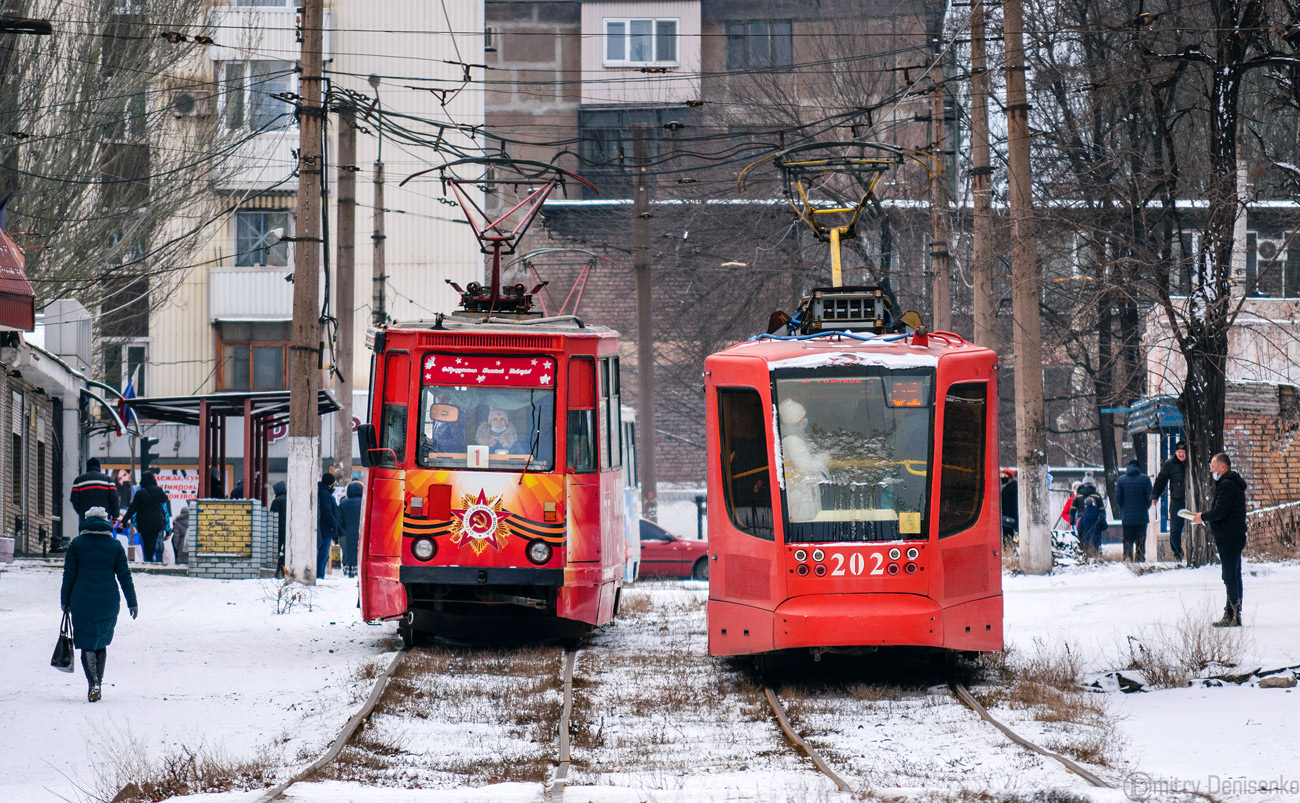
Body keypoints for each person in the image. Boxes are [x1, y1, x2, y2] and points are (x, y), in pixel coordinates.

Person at [60, 506, 137, 702]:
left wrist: (65, 601)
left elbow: (69, 575)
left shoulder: (77, 544)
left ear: (85, 521)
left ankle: (93, 683)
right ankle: (98, 684)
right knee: (101, 642)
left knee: (86, 642)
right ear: (105, 522)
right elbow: (125, 576)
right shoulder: (114, 545)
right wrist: (132, 602)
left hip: (82, 600)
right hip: (108, 600)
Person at [1194, 453, 1248, 627]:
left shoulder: (1227, 485)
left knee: (1230, 576)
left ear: (1222, 467)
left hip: (1229, 536)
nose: (1211, 470)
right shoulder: (1232, 483)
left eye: (1213, 466)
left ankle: (1231, 615)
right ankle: (1234, 614)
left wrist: (1202, 516)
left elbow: (1220, 511)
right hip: (1234, 535)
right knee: (1234, 575)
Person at [778, 399, 830, 521]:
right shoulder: (793, 440)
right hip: (801, 497)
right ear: (795, 419)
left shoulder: (793, 437)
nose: (805, 420)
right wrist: (824, 458)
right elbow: (806, 467)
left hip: (801, 492)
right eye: (802, 417)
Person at [1151, 440, 1189, 562]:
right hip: (1177, 501)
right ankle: (1178, 553)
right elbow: (1160, 481)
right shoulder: (1170, 464)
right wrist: (1154, 496)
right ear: (1175, 452)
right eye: (1179, 452)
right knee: (1175, 530)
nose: (1181, 454)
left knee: (1194, 527)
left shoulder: (1191, 462)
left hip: (1191, 501)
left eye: (1183, 452)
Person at [124, 471, 171, 563]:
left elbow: (133, 513)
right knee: (158, 550)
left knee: (147, 550)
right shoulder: (158, 492)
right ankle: (159, 567)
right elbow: (165, 513)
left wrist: (136, 525)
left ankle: (148, 567)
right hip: (158, 525)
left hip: (144, 527)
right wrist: (168, 531)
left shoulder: (140, 493)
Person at [1114, 459, 1153, 561]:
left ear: (1128, 467)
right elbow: (1149, 497)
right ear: (1138, 467)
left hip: (1127, 518)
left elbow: (1118, 497)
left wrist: (1124, 508)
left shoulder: (1121, 480)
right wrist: (1144, 507)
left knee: (1127, 540)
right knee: (1140, 541)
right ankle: (1140, 559)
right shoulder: (1146, 479)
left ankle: (1128, 559)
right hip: (1142, 517)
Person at [71, 458, 120, 527]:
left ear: (87, 467)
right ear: (99, 467)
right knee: (103, 533)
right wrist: (115, 517)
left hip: (86, 518)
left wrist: (81, 512)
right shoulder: (108, 480)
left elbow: (74, 499)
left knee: (87, 533)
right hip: (104, 518)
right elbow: (114, 499)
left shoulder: (78, 480)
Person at [317, 473, 342, 579]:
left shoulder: (322, 492)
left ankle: (319, 575)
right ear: (330, 484)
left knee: (323, 554)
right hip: (326, 529)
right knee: (323, 555)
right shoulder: (325, 494)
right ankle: (319, 576)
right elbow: (327, 513)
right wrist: (334, 525)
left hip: (323, 528)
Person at [1072, 480, 1107, 557]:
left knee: (1085, 549)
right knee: (1096, 551)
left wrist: (1072, 521)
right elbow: (1105, 526)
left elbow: (1079, 528)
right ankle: (1095, 558)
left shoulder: (1083, 516)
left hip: (1086, 537)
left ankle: (1085, 557)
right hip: (1097, 538)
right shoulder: (1099, 515)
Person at [338, 481, 363, 578]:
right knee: (360, 552)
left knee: (349, 554)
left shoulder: (343, 503)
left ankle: (349, 572)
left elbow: (340, 521)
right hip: (361, 533)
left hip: (347, 533)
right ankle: (359, 571)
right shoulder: (363, 502)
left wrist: (342, 532)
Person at [270, 481, 287, 576]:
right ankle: (285, 569)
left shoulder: (277, 501)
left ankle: (277, 570)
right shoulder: (290, 499)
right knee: (286, 551)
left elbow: (272, 516)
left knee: (277, 551)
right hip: (288, 530)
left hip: (279, 530)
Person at [999, 468, 1019, 548]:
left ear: (1010, 478)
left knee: (1006, 540)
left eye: (1005, 476)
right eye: (1001, 476)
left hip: (1008, 519)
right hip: (1008, 519)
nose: (1002, 478)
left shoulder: (1011, 489)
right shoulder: (1006, 488)